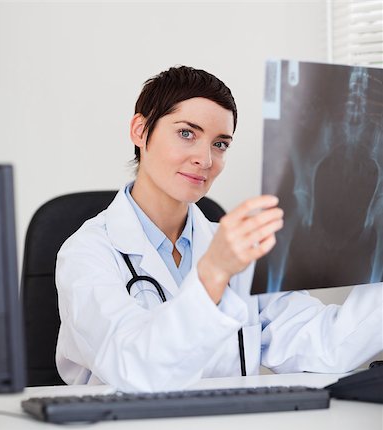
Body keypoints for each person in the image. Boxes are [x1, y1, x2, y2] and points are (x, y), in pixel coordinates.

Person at [55, 66, 383, 392]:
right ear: (140, 131)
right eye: (187, 133)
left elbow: (328, 347)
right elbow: (135, 369)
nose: (205, 159)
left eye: (220, 144)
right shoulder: (87, 253)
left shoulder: (238, 252)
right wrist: (213, 273)